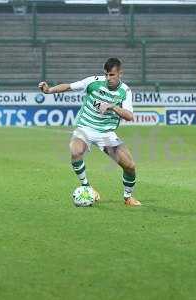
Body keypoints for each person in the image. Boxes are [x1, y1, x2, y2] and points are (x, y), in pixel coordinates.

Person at [38, 57, 141, 206]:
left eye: (111, 75)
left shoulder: (125, 91)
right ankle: (86, 187)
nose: (108, 78)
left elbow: (130, 116)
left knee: (130, 166)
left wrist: (112, 106)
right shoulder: (93, 82)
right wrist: (49, 91)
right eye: (106, 74)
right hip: (85, 127)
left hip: (106, 133)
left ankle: (128, 197)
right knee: (75, 151)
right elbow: (69, 87)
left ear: (120, 74)